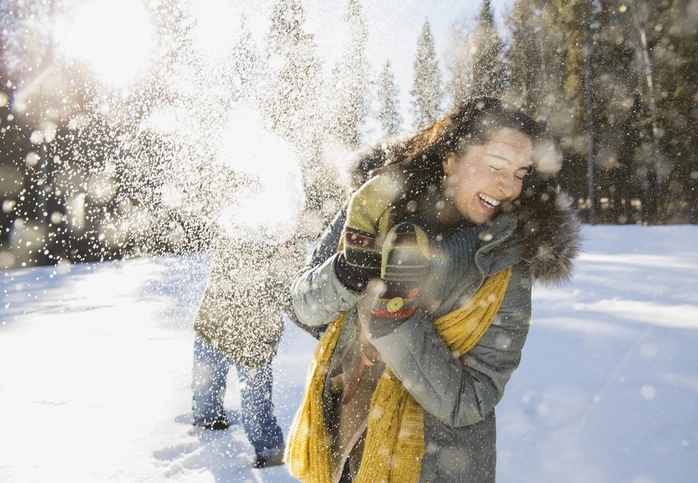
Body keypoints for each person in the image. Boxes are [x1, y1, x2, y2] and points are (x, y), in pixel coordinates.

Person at [285, 96, 581, 482]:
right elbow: (303, 308)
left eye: (521, 173)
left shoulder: (509, 262)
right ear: (450, 158)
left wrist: (396, 320)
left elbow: (473, 399)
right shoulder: (374, 208)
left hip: (431, 464)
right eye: (495, 166)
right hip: (342, 434)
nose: (508, 186)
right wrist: (348, 272)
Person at [191, 233, 301, 469]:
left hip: (249, 334)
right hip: (220, 323)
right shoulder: (240, 223)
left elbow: (292, 293)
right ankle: (209, 421)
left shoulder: (285, 239)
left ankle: (269, 449)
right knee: (210, 388)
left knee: (253, 403)